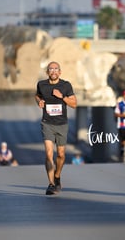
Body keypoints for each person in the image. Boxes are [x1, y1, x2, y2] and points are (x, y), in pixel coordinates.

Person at [35, 61, 77, 195]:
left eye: (56, 69)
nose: (53, 71)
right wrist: (39, 101)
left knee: (61, 155)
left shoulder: (66, 85)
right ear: (47, 72)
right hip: (47, 123)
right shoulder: (42, 84)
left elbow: (74, 104)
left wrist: (62, 97)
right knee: (48, 154)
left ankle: (57, 175)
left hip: (62, 124)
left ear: (60, 72)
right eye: (50, 69)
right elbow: (37, 95)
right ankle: (51, 184)